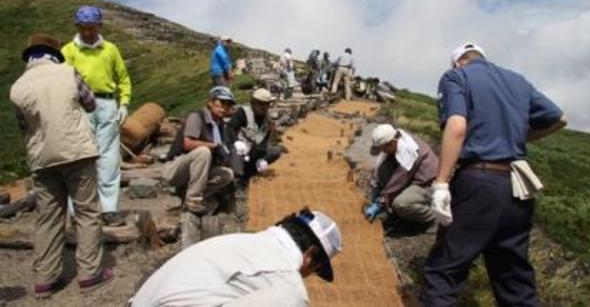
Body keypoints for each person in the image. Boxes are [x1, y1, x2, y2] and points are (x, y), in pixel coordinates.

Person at [421, 43, 567, 306]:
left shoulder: (456, 77)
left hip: (479, 181)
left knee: (444, 271)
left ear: (458, 62)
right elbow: (560, 119)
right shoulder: (517, 81)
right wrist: (519, 137)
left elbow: (456, 126)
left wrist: (441, 182)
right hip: (517, 186)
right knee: (514, 279)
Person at [10, 34, 112, 298]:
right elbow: (90, 104)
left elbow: (24, 127)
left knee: (48, 218)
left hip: (42, 160)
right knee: (87, 212)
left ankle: (45, 279)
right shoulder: (68, 73)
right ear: (54, 54)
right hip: (77, 152)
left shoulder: (17, 87)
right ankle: (89, 274)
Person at [130, 208, 342, 307]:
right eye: (313, 271)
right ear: (310, 255)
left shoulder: (239, 242)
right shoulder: (287, 283)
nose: (306, 277)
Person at [62, 5, 131, 227]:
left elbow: (123, 78)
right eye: (84, 28)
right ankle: (76, 211)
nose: (88, 32)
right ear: (78, 27)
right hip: (80, 106)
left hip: (108, 104)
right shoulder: (68, 51)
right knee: (81, 157)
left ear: (99, 26)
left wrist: (124, 104)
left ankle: (109, 209)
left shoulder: (110, 49)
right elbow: (62, 82)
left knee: (109, 158)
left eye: (92, 28)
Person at [163, 86, 236, 216]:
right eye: (221, 102)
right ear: (210, 102)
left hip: (194, 169)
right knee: (203, 151)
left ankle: (187, 192)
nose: (224, 107)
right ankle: (193, 198)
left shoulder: (219, 125)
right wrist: (212, 145)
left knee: (227, 174)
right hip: (175, 167)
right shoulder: (196, 117)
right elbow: (188, 143)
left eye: (228, 104)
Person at [364, 124, 438, 228]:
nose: (383, 152)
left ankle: (433, 218)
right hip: (410, 179)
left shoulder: (408, 151)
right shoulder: (393, 141)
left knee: (400, 204)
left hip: (427, 184)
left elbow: (399, 180)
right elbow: (379, 167)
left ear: (391, 143)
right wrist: (375, 190)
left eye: (383, 149)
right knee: (384, 171)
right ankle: (399, 213)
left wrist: (380, 202)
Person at [227, 88, 282, 183]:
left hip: (254, 150)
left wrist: (261, 157)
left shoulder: (267, 119)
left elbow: (265, 141)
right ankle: (238, 178)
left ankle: (252, 169)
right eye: (261, 104)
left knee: (276, 150)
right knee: (237, 152)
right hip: (240, 148)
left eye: (267, 104)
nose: (265, 107)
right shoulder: (243, 112)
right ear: (253, 103)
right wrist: (236, 143)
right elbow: (230, 129)